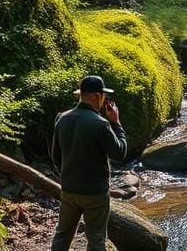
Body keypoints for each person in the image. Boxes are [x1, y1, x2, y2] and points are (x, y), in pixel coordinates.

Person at [50, 75, 127, 251]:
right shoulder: (101, 124)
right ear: (95, 96)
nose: (104, 100)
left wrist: (67, 175)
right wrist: (116, 123)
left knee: (62, 234)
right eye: (103, 95)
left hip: (69, 189)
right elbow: (120, 153)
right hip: (95, 193)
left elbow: (55, 156)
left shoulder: (61, 118)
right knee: (97, 239)